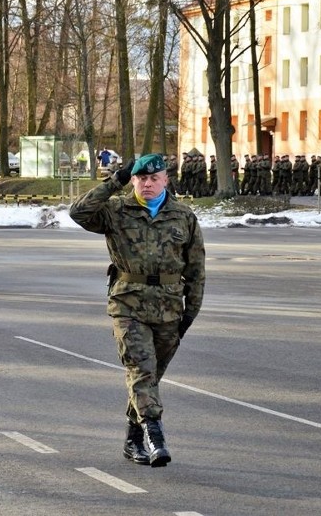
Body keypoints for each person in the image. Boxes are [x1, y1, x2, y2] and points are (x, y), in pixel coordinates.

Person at [69, 153, 206, 468]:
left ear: (165, 180)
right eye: (140, 178)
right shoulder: (116, 211)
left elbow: (197, 271)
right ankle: (155, 437)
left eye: (153, 178)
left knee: (149, 378)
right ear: (133, 180)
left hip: (169, 308)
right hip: (128, 304)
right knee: (140, 370)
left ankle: (133, 437)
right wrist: (114, 180)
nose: (147, 183)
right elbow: (78, 212)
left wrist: (190, 314)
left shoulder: (183, 216)